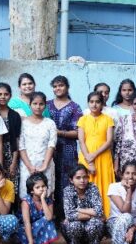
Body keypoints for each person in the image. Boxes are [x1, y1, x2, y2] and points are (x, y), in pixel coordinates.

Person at [47, 75, 83, 222]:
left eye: (61, 85)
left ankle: (66, 218)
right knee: (49, 181)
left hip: (68, 150)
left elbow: (78, 133)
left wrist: (59, 133)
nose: (58, 88)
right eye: (55, 86)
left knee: (67, 183)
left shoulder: (75, 107)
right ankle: (50, 217)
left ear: (67, 87)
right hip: (48, 150)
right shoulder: (46, 105)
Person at [77, 91, 115, 218]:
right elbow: (81, 141)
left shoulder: (108, 119)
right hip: (85, 155)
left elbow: (109, 141)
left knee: (104, 185)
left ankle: (105, 217)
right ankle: (86, 216)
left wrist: (94, 155)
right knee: (85, 184)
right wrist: (89, 159)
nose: (94, 105)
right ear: (88, 103)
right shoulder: (83, 119)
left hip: (103, 157)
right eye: (91, 102)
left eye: (97, 102)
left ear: (102, 104)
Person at [18, 92, 58, 199]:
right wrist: (30, 166)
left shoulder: (50, 123)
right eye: (35, 104)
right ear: (30, 105)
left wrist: (44, 165)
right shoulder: (23, 123)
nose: (38, 107)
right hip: (27, 165)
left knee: (46, 193)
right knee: (27, 195)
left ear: (45, 106)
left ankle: (47, 210)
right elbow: (21, 146)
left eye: (41, 104)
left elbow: (51, 145)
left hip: (46, 164)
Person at [62, 165, 107, 244]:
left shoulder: (93, 188)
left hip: (91, 225)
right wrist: (91, 215)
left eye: (85, 177)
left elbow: (99, 211)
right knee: (74, 225)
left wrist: (78, 209)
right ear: (71, 180)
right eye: (78, 178)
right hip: (78, 224)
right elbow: (69, 215)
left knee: (95, 223)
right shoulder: (68, 190)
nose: (82, 180)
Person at [18, 173, 58, 244]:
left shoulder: (48, 200)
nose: (41, 189)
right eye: (37, 187)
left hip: (39, 229)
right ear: (32, 190)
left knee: (48, 220)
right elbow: (26, 223)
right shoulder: (26, 201)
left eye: (43, 186)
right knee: (24, 231)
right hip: (27, 230)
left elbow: (49, 217)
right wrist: (30, 242)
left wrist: (42, 199)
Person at [0, 83, 22, 185]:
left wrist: (14, 162)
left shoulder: (15, 115)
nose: (3, 97)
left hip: (10, 152)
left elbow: (17, 139)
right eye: (0, 94)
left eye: (6, 94)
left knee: (11, 183)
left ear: (10, 96)